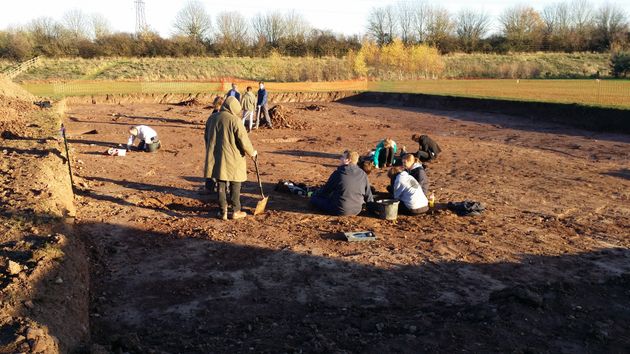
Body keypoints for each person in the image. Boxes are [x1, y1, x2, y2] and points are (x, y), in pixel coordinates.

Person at [204, 96, 257, 220]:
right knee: (235, 183)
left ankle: (222, 211)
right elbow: (244, 140)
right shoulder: (235, 120)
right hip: (234, 157)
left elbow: (206, 138)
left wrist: (211, 151)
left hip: (216, 157)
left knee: (220, 182)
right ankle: (236, 210)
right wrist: (252, 153)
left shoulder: (211, 118)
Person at [310, 150, 373, 216]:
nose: (340, 159)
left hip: (339, 210)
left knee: (314, 199)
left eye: (342, 157)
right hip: (357, 210)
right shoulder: (363, 174)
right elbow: (368, 195)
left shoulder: (338, 173)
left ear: (348, 160)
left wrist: (316, 194)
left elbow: (325, 191)